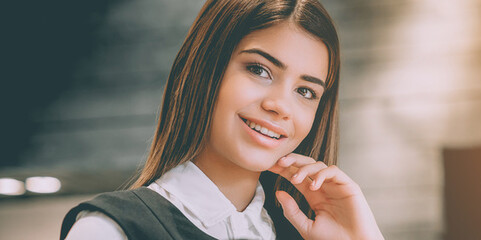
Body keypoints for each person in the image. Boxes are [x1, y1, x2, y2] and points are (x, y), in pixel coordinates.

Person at [59, 0, 383, 239]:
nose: (280, 106)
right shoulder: (110, 230)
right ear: (205, 70)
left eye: (306, 91)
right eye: (259, 70)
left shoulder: (312, 235)